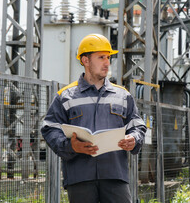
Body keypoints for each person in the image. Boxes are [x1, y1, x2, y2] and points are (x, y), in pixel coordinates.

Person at [41, 33, 146, 203]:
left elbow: (137, 126)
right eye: (101, 57)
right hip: (80, 177)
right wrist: (71, 146)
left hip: (115, 176)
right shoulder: (65, 96)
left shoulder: (123, 95)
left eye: (108, 57)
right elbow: (50, 128)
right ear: (85, 60)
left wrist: (134, 138)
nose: (107, 62)